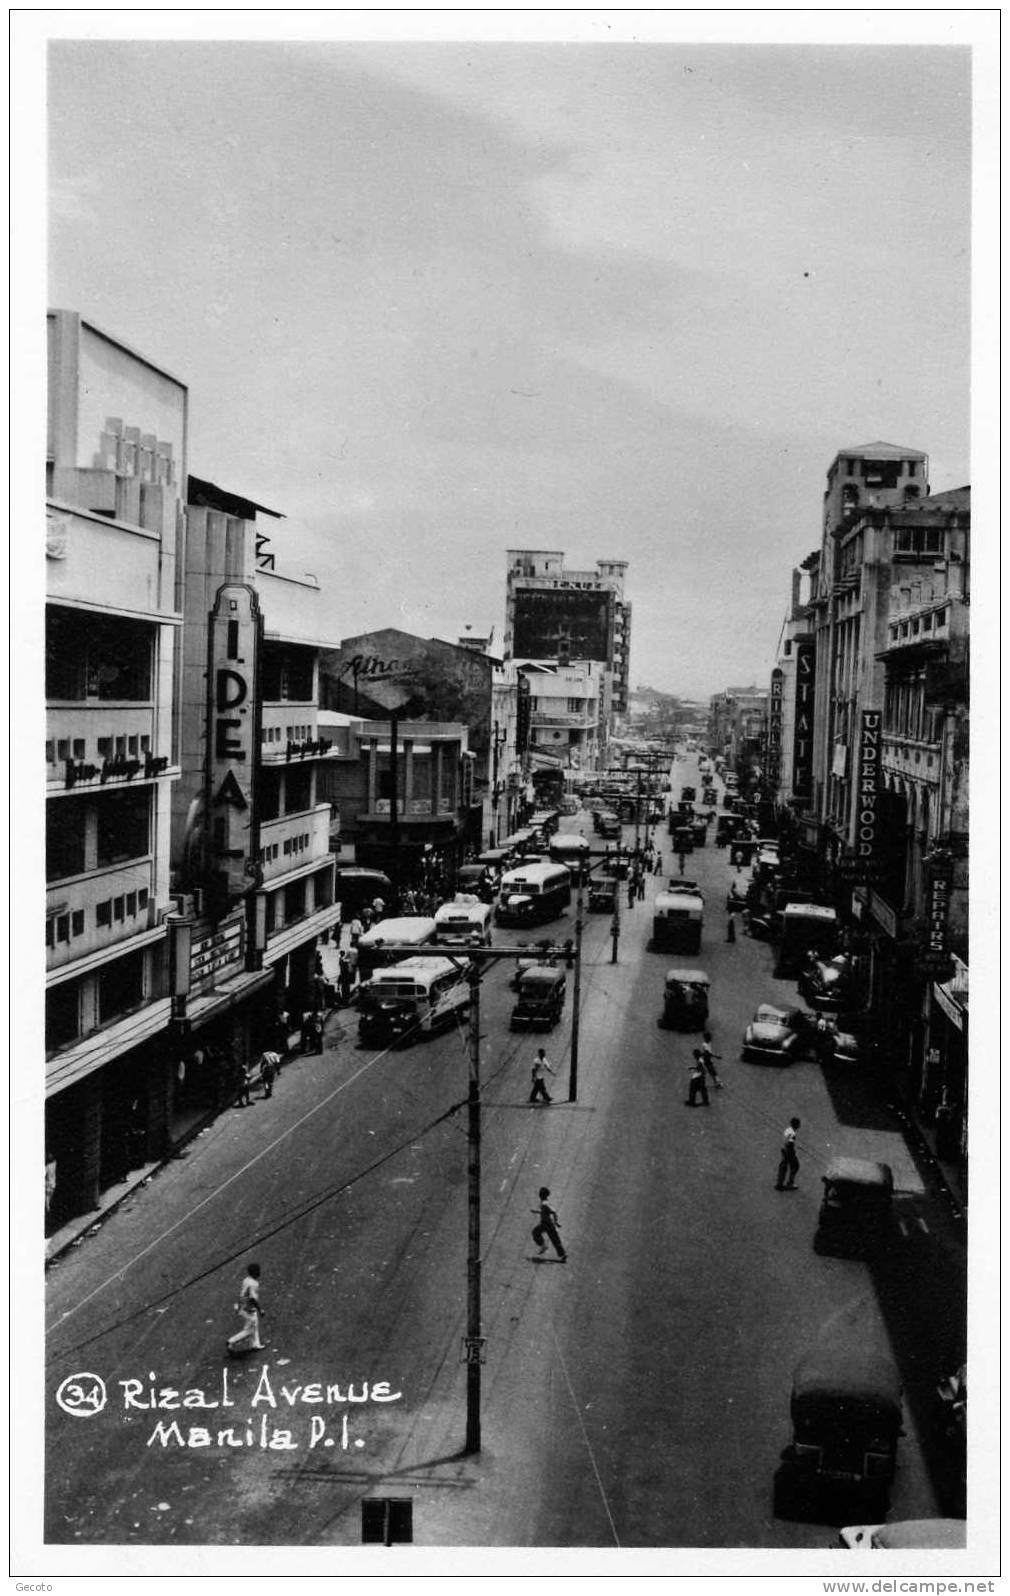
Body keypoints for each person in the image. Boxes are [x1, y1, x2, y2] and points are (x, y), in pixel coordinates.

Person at [227, 1263, 263, 1355]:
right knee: (250, 1329)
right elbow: (252, 1299)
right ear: (255, 1272)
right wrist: (260, 1310)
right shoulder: (254, 1284)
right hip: (248, 1308)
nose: (259, 1273)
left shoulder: (246, 1280)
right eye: (258, 1271)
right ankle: (231, 1341)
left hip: (241, 1305)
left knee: (254, 1324)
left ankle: (255, 1344)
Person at [531, 1187, 567, 1261]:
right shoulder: (544, 1203)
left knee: (536, 1233)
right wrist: (537, 1211)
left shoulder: (544, 1203)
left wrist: (556, 1222)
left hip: (547, 1224)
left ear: (542, 1195)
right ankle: (563, 1255)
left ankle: (543, 1246)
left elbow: (553, 1211)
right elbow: (545, 1212)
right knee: (554, 1240)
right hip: (546, 1224)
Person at [775, 1118, 801, 1190]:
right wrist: (793, 1151)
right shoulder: (792, 1133)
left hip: (783, 1150)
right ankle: (790, 1183)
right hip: (788, 1152)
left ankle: (779, 1184)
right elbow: (789, 1143)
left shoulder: (788, 1130)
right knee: (795, 1166)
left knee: (783, 1166)